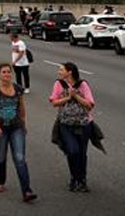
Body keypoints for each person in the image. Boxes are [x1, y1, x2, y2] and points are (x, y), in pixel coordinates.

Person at [0, 63, 36, 202]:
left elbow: (22, 108)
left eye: (9, 72)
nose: (7, 74)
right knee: (1, 155)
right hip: (0, 128)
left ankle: (27, 191)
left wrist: (24, 124)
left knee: (20, 158)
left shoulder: (18, 89)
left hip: (16, 127)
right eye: (4, 72)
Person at [49, 62, 95, 192]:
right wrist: (68, 97)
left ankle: (81, 180)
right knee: (72, 151)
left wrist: (76, 96)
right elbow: (54, 102)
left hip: (83, 123)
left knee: (81, 153)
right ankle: (74, 177)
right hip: (65, 124)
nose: (59, 72)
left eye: (61, 70)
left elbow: (90, 105)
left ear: (70, 72)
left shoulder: (83, 85)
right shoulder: (58, 84)